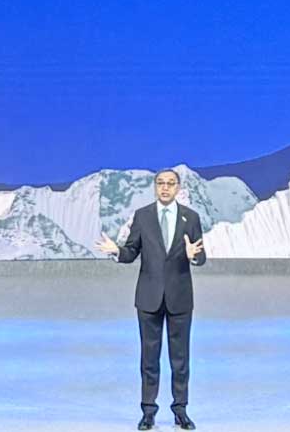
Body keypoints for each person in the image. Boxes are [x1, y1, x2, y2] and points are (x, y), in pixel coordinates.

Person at [97, 168, 206, 430]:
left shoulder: (191, 217)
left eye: (170, 183)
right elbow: (131, 251)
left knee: (180, 360)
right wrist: (117, 251)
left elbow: (201, 256)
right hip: (148, 298)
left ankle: (180, 410)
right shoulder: (143, 216)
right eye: (160, 183)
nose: (165, 187)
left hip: (180, 297)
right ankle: (148, 411)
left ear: (178, 187)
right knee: (149, 358)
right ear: (155, 187)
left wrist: (193, 255)